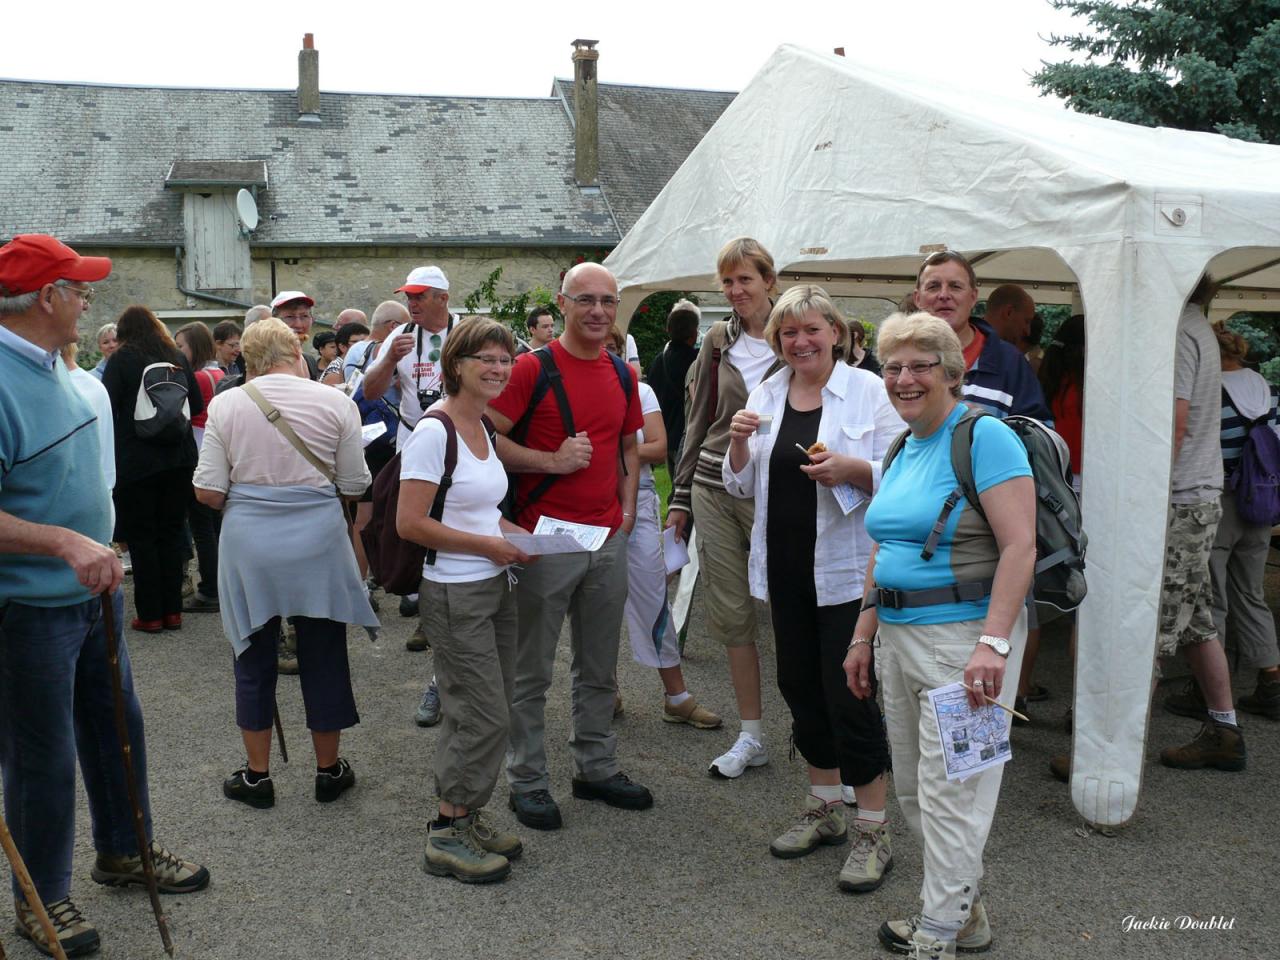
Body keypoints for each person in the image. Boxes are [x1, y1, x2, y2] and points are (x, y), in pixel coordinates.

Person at [0, 234, 208, 958]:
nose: (90, 299)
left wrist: (98, 543)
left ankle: (125, 849)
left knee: (120, 726)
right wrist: (62, 541)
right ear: (47, 298)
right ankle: (40, 895)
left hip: (96, 590)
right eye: (79, 287)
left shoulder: (63, 369)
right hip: (28, 607)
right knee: (42, 754)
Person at [844, 311, 1035, 958]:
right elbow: (886, 548)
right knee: (916, 793)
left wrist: (995, 645)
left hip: (965, 643)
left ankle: (937, 935)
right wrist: (862, 635)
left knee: (955, 796)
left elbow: (1020, 548)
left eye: (920, 364)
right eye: (892, 366)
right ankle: (966, 912)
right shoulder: (901, 447)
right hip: (897, 639)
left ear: (952, 372)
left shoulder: (985, 437)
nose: (903, 378)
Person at [724, 286, 900, 890]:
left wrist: (854, 470)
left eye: (811, 330)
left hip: (847, 573)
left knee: (848, 692)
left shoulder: (869, 390)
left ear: (836, 332)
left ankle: (873, 829)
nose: (800, 342)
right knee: (798, 685)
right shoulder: (768, 392)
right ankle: (824, 805)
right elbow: (741, 488)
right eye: (787, 334)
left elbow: (905, 470)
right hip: (784, 569)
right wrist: (740, 443)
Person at [490, 261, 651, 830]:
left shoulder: (621, 372)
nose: (598, 312)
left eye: (608, 302)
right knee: (531, 668)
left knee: (600, 666)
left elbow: (627, 449)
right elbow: (487, 440)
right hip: (543, 540)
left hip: (607, 538)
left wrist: (627, 513)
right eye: (586, 300)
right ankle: (527, 779)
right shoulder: (532, 369)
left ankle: (595, 767)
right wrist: (551, 462)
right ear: (562, 303)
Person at [194, 318, 377, 809]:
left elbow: (208, 491)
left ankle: (257, 776)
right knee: (324, 651)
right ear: (297, 353)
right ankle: (327, 770)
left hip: (249, 540)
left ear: (249, 360)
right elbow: (355, 484)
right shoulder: (336, 401)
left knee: (252, 654)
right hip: (318, 538)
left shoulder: (228, 403)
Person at [397, 317, 532, 883]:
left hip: (492, 583)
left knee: (478, 705)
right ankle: (447, 832)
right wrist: (488, 545)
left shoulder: (481, 427)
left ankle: (464, 813)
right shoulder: (435, 431)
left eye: (505, 360)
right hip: (455, 590)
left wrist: (519, 536)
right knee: (484, 713)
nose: (499, 369)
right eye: (487, 360)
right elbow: (410, 523)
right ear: (457, 365)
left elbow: (480, 508)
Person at [666, 237, 783, 779]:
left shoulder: (798, 334)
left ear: (769, 281)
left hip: (779, 489)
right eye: (728, 282)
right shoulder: (716, 340)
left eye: (746, 280)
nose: (736, 291)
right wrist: (681, 497)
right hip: (715, 484)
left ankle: (821, 734)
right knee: (733, 614)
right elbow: (699, 418)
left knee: (798, 609)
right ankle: (751, 734)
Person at [1153, 278, 1247, 771]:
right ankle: (1224, 729)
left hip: (1178, 498)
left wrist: (1145, 497)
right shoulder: (1196, 328)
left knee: (1151, 625)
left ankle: (1108, 750)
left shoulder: (1178, 331)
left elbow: (1177, 421)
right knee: (1197, 622)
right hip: (1197, 494)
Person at [606, 327, 720, 730]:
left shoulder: (640, 392)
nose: (607, 353)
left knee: (652, 596)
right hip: (588, 506)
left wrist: (610, 447)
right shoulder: (569, 388)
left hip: (639, 501)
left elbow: (658, 446)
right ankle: (606, 692)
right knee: (595, 603)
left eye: (614, 347)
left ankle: (677, 696)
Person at [102, 305, 203, 632]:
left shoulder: (121, 359)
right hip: (180, 456)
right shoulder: (177, 356)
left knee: (143, 536)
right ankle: (173, 611)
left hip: (137, 459)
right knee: (172, 532)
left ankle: (150, 615)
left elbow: (108, 404)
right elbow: (197, 404)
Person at [1197, 324, 1280, 721]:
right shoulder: (1268, 390)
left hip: (1222, 499)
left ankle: (1213, 688)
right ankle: (1270, 676)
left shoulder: (1210, 392)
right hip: (1262, 500)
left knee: (1214, 596)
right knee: (1250, 592)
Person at [914, 253, 1050, 422]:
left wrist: (983, 432)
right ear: (917, 299)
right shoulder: (899, 361)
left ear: (973, 297)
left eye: (955, 286)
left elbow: (1040, 438)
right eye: (933, 286)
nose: (944, 295)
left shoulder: (1010, 362)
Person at [175, 321, 225, 614]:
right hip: (213, 452)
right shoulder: (217, 372)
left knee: (202, 528)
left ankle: (209, 590)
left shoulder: (198, 377)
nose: (178, 350)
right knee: (214, 527)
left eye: (181, 345)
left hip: (199, 454)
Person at [645, 299, 701, 475]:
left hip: (665, 434)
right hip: (688, 436)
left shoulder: (657, 361)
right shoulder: (697, 362)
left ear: (668, 330)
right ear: (694, 333)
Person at [271, 291, 322, 379]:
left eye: (304, 316)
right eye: (290, 317)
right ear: (273, 321)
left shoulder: (310, 361)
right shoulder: (263, 361)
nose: (298, 324)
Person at [321, 320, 370, 386]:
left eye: (366, 341)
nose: (363, 346)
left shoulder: (354, 365)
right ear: (343, 347)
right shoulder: (335, 372)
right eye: (356, 342)